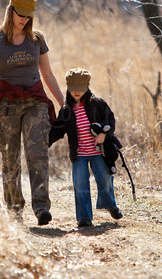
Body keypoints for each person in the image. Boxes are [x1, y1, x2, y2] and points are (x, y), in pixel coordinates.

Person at [0, 0, 64, 226]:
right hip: (6, 104)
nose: (25, 20)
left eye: (29, 16)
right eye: (21, 15)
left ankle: (41, 207)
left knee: (38, 153)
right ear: (11, 11)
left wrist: (63, 103)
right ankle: (15, 210)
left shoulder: (37, 39)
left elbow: (48, 74)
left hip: (35, 102)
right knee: (10, 157)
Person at [49, 68, 123, 228]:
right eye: (73, 88)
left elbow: (110, 119)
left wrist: (104, 134)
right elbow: (57, 131)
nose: (77, 92)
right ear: (68, 88)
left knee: (105, 179)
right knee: (80, 184)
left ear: (87, 87)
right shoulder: (66, 110)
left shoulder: (98, 104)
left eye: (80, 88)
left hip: (99, 152)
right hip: (79, 154)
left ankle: (110, 205)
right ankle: (84, 217)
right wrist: (42, 142)